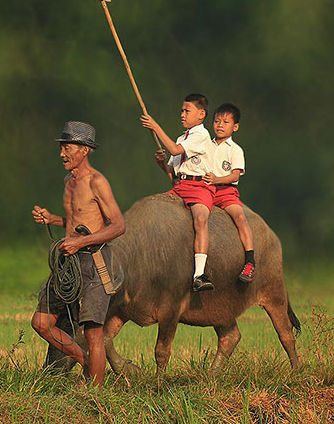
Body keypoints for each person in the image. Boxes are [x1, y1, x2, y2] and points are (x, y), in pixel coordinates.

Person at [30, 121, 125, 386]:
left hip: (94, 261)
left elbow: (118, 225)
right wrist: (52, 219)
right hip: (67, 262)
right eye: (62, 148)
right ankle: (85, 359)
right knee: (41, 323)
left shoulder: (98, 182)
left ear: (84, 150)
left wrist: (80, 244)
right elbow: (77, 220)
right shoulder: (68, 181)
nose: (62, 154)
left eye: (68, 147)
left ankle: (95, 397)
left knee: (94, 333)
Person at [140, 93, 216, 292]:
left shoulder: (201, 135)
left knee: (200, 219)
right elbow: (172, 172)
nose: (182, 114)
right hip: (180, 187)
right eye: (181, 110)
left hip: (200, 188)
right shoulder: (183, 137)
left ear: (201, 114)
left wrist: (155, 126)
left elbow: (174, 150)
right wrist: (161, 164)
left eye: (186, 111)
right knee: (155, 211)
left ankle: (199, 274)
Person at [204, 103, 256, 282]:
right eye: (217, 121)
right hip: (205, 190)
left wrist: (216, 179)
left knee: (240, 217)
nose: (220, 125)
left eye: (225, 122)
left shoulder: (235, 150)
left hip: (226, 191)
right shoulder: (205, 146)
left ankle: (250, 261)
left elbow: (234, 175)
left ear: (235, 127)